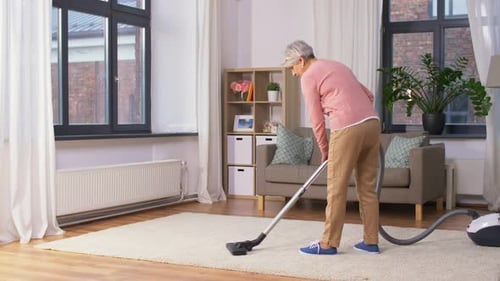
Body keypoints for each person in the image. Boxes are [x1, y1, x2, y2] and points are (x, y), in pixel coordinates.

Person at [282, 40, 381, 255]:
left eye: (292, 67)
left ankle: (328, 243)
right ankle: (371, 241)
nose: (293, 73)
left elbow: (316, 119)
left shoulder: (309, 76)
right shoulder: (338, 66)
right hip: (373, 123)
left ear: (301, 60)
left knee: (336, 188)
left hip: (346, 128)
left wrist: (325, 149)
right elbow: (369, 96)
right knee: (367, 187)